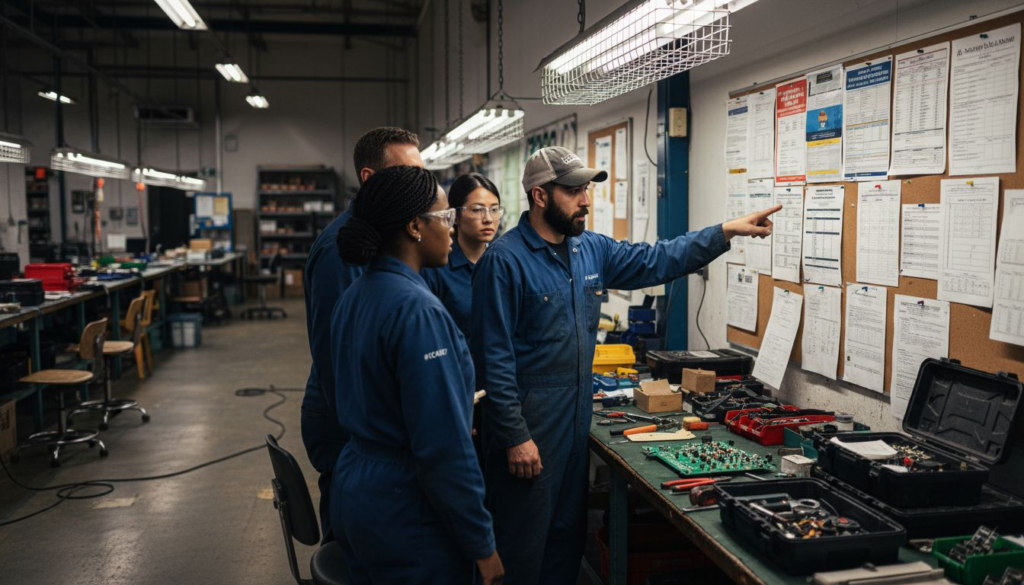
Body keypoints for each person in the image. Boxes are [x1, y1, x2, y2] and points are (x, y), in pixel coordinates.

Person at [470, 146, 780, 584]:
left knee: (565, 542)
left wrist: (725, 232)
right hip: (532, 427)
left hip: (575, 419)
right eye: (574, 190)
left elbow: (657, 259)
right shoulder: (504, 260)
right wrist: (515, 436)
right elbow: (493, 358)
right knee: (522, 547)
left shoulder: (589, 249)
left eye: (587, 190)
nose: (586, 200)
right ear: (540, 196)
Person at [330, 165, 504, 584]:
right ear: (414, 227)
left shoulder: (357, 293)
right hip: (404, 504)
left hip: (357, 487)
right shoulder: (419, 311)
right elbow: (443, 451)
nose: (450, 229)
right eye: (444, 218)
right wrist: (483, 545)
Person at [301, 127, 422, 539]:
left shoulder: (384, 238)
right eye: (409, 174)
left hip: (364, 416)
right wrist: (365, 431)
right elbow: (335, 355)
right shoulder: (343, 249)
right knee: (353, 542)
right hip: (344, 422)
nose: (421, 187)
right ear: (370, 179)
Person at [422, 172, 502, 339]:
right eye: (478, 210)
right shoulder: (437, 268)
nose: (488, 219)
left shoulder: (503, 262)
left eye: (494, 210)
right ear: (455, 216)